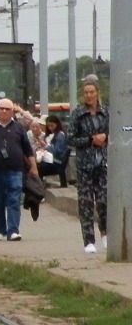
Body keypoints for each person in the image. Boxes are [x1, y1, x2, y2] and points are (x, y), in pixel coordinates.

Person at [0, 97, 38, 242]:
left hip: (16, 170)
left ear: (12, 112)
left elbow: (27, 149)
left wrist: (33, 167)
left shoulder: (18, 128)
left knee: (14, 199)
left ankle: (13, 230)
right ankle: (0, 230)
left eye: (7, 109)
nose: (3, 111)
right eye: (1, 108)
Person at [69, 77, 108, 254]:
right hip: (84, 164)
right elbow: (70, 138)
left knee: (103, 200)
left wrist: (105, 138)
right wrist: (91, 140)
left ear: (97, 93)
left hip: (103, 163)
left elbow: (115, 131)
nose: (89, 95)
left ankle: (106, 234)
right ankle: (88, 240)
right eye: (86, 93)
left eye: (92, 92)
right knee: (85, 202)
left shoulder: (105, 113)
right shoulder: (77, 114)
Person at [41, 114, 71, 188]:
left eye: (52, 125)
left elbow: (57, 151)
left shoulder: (60, 136)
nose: (50, 128)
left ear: (57, 124)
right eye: (48, 126)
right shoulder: (53, 135)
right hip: (53, 160)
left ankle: (39, 190)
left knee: (38, 168)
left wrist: (47, 147)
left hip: (57, 162)